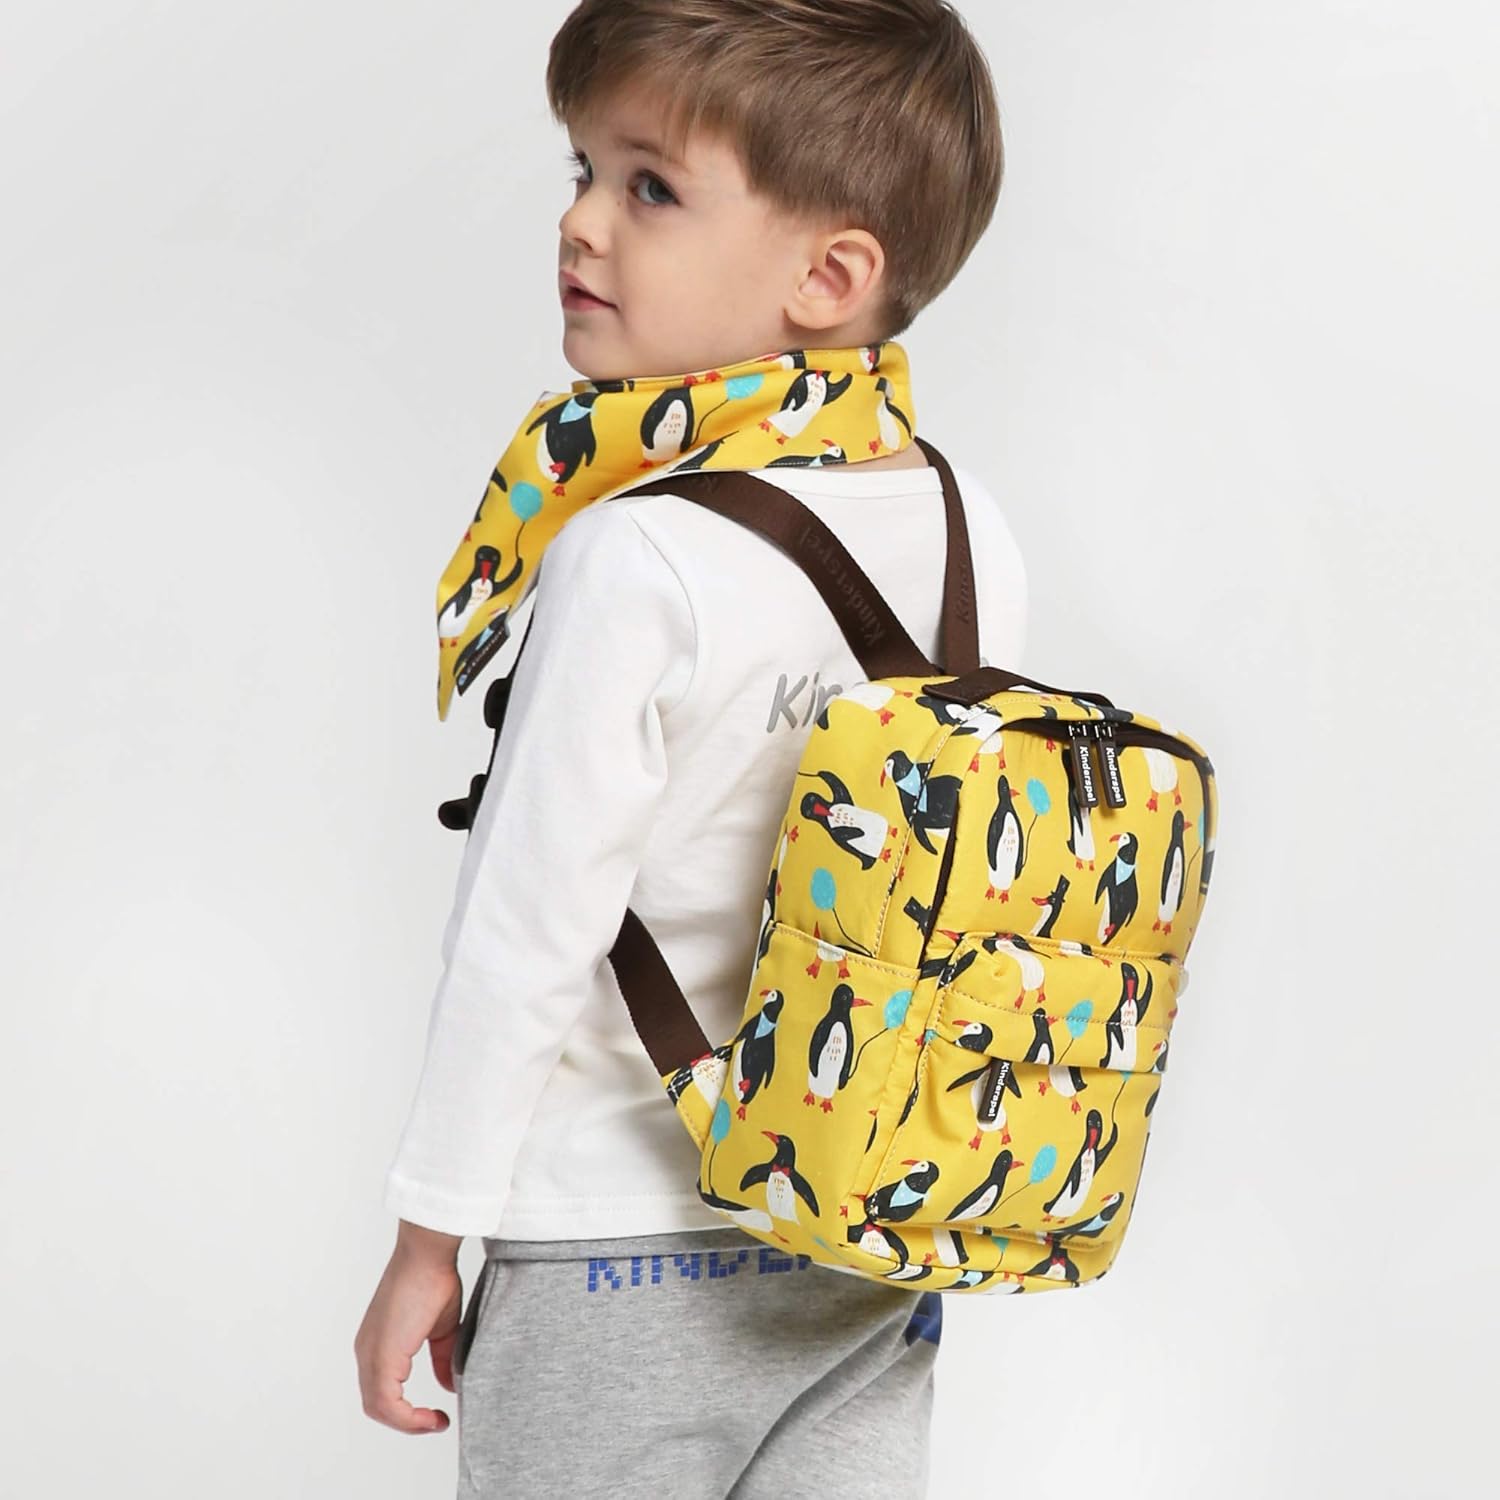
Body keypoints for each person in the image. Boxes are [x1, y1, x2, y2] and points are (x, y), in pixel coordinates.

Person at [354, 3, 1025, 1494]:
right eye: (583, 170)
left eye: (649, 186)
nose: (582, 223)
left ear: (829, 276)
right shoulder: (965, 526)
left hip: (608, 1232)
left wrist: (428, 1233)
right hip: (865, 1225)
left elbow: (529, 932)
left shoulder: (633, 555)